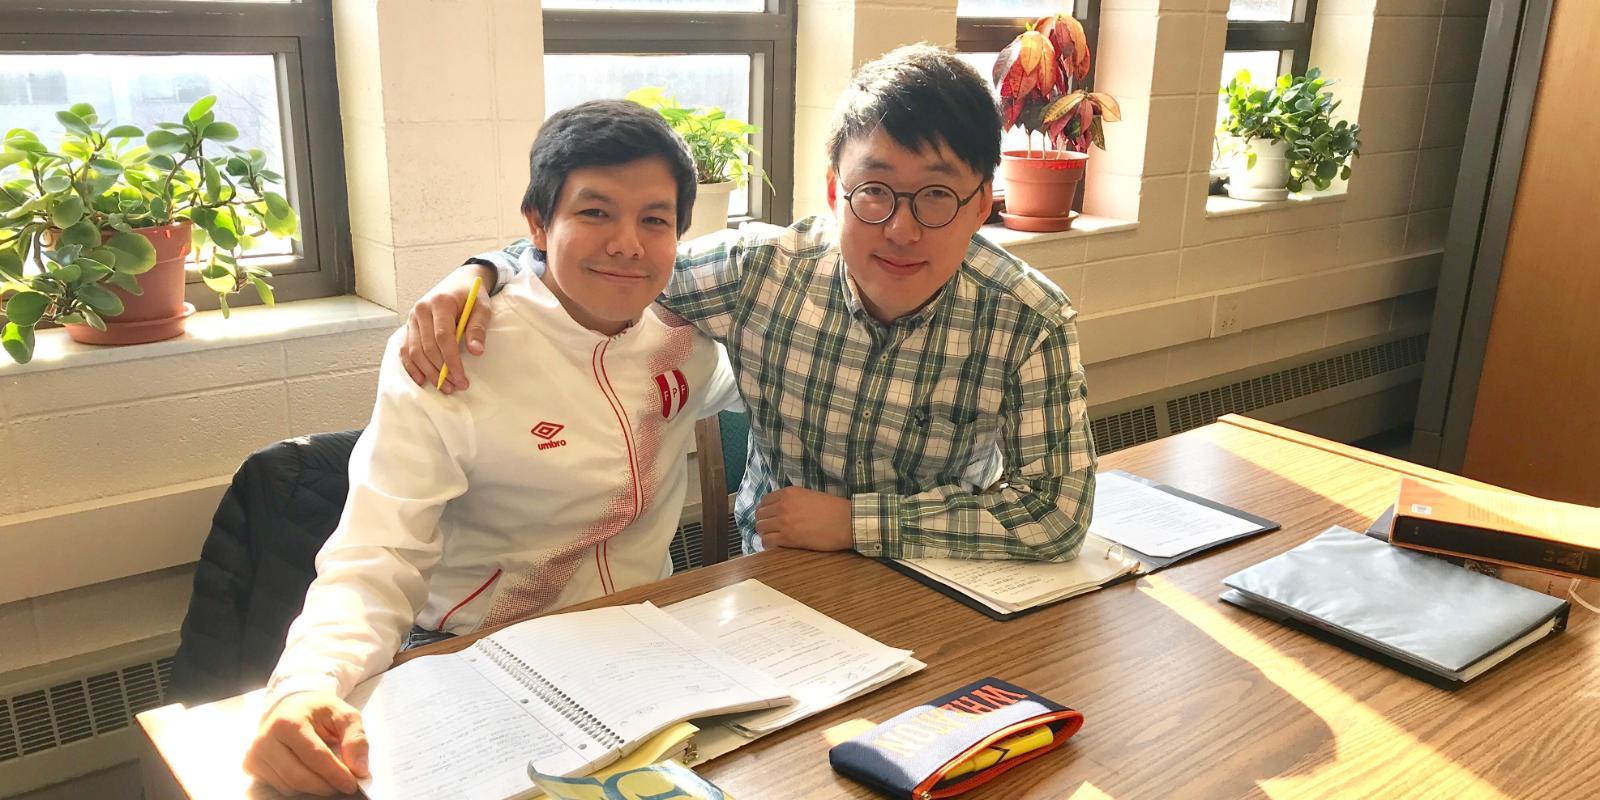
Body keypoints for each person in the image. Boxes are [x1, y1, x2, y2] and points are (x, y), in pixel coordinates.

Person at [403, 44, 1096, 565]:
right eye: (875, 190)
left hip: (942, 579)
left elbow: (1057, 512)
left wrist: (859, 523)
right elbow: (609, 265)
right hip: (775, 583)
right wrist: (482, 271)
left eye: (938, 195)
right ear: (833, 192)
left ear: (982, 203)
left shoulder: (1027, 320)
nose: (902, 228)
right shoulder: (763, 272)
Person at [243, 100, 738, 797]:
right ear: (537, 224)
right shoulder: (457, 349)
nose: (628, 243)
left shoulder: (692, 340)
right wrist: (305, 685)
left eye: (654, 219)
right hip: (473, 658)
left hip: (640, 651)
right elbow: (378, 551)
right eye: (595, 213)